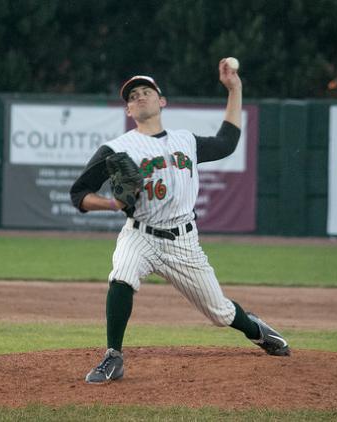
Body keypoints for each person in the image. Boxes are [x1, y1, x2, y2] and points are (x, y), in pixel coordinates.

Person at [70, 58, 290, 384]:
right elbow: (79, 193)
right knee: (122, 274)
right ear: (129, 110)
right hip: (140, 233)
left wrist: (235, 89)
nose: (139, 97)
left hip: (183, 241)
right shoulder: (117, 148)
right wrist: (112, 204)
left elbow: (227, 143)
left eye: (146, 92)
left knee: (221, 313)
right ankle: (113, 356)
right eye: (132, 96)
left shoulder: (185, 140)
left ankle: (256, 330)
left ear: (162, 101)